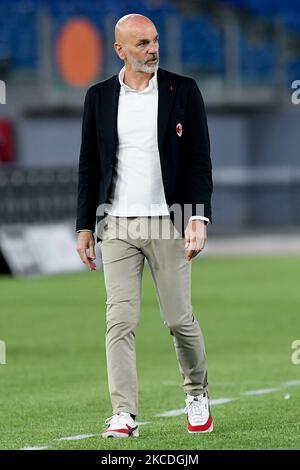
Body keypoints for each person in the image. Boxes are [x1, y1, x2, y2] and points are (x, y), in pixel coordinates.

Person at [76, 13, 213, 438]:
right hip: (115, 224)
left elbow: (198, 161)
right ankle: (124, 413)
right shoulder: (98, 97)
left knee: (178, 319)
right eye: (141, 44)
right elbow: (88, 166)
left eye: (154, 41)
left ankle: (196, 393)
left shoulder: (183, 91)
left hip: (169, 223)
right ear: (120, 50)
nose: (152, 49)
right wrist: (84, 226)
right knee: (120, 321)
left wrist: (197, 216)